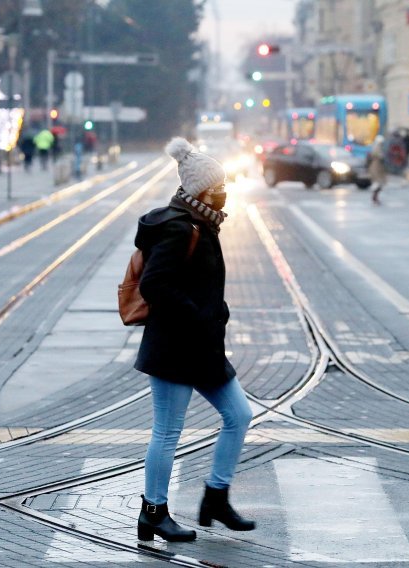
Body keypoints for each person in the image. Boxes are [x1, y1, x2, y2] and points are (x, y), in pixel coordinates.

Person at [133, 137, 255, 543]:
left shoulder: (201, 222)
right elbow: (154, 284)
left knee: (239, 415)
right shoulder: (178, 227)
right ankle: (153, 512)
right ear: (201, 188)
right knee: (167, 431)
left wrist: (212, 314)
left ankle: (216, 498)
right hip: (173, 348)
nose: (224, 192)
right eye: (218, 186)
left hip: (202, 347)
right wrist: (197, 313)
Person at [369, 135, 387, 204]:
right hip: (377, 167)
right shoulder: (377, 148)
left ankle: (375, 197)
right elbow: (378, 155)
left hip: (378, 166)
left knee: (379, 183)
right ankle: (375, 197)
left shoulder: (377, 147)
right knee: (378, 183)